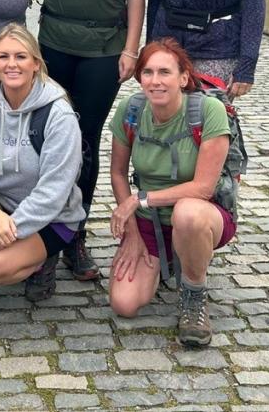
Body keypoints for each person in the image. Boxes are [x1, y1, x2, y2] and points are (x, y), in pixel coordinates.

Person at [33, 0, 146, 282]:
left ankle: (74, 235)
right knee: (48, 138)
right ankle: (46, 232)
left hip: (103, 49)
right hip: (55, 46)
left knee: (85, 139)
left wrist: (131, 49)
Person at [0, 24, 84, 322]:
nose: (12, 64)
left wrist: (0, 236)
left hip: (53, 218)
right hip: (2, 208)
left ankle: (44, 260)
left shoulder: (58, 114)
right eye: (3, 56)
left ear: (36, 63)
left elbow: (54, 193)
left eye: (21, 56)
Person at [107, 38, 236, 347]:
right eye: (147, 72)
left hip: (203, 215)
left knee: (187, 213)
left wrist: (139, 199)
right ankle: (170, 260)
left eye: (165, 72)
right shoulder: (131, 110)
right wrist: (134, 231)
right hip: (149, 222)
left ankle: (193, 295)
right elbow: (117, 173)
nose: (155, 80)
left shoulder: (209, 111)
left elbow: (203, 188)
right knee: (124, 304)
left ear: (183, 77)